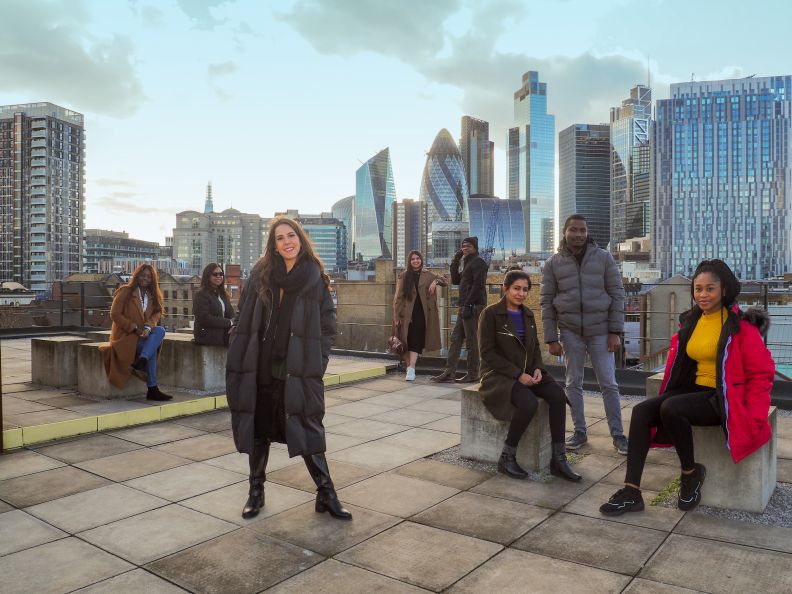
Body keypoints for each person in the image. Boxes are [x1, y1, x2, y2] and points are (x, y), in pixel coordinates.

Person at [600, 259, 774, 515]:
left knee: (672, 408)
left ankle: (690, 474)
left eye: (710, 289)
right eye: (698, 288)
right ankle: (631, 491)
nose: (702, 295)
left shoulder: (741, 328)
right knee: (641, 412)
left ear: (724, 289)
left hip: (722, 397)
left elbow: (762, 373)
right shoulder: (691, 321)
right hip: (693, 389)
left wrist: (755, 414)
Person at [226, 216, 351, 521]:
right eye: (280, 238)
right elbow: (244, 316)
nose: (287, 242)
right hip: (261, 365)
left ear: (300, 238)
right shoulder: (261, 275)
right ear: (274, 244)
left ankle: (326, 493)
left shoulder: (314, 276)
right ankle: (256, 492)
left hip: (299, 366)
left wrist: (318, 362)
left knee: (307, 428)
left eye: (291, 235)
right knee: (259, 429)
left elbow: (327, 324)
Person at [478, 270, 581, 481]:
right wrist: (517, 374)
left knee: (557, 394)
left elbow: (533, 349)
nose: (521, 294)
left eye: (525, 290)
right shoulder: (490, 314)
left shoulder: (528, 314)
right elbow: (487, 353)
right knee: (528, 403)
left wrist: (536, 368)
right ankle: (507, 457)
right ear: (505, 288)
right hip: (498, 375)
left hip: (526, 371)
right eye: (517, 288)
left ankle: (558, 459)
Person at [540, 214, 628, 455]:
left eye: (582, 230)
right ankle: (579, 431)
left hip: (600, 330)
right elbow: (546, 302)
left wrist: (614, 331)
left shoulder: (604, 258)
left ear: (587, 233)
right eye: (574, 230)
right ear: (565, 232)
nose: (578, 234)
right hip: (570, 332)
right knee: (572, 383)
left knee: (609, 384)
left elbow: (617, 294)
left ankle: (618, 435)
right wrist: (551, 338)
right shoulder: (553, 263)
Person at [101, 263, 171, 401]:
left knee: (160, 330)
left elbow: (157, 313)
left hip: (143, 336)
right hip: (125, 337)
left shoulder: (153, 295)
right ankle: (152, 388)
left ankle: (142, 359)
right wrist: (134, 327)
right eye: (143, 275)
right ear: (137, 275)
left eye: (149, 277)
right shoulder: (125, 292)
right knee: (151, 348)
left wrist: (148, 327)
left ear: (152, 279)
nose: (145, 278)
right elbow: (114, 314)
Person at [432, 236, 489, 383]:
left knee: (471, 342)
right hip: (464, 306)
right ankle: (450, 372)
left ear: (475, 248)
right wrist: (455, 260)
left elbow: (479, 286)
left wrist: (469, 305)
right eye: (463, 246)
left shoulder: (479, 263)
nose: (465, 248)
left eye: (468, 246)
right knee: (456, 339)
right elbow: (456, 280)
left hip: (473, 307)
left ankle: (473, 373)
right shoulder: (468, 263)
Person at [393, 250, 447, 381]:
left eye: (418, 258)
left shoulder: (428, 274)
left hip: (422, 314)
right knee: (406, 341)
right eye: (413, 259)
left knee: (415, 341)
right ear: (409, 261)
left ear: (421, 260)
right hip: (406, 314)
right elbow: (398, 298)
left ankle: (411, 369)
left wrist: (435, 282)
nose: (416, 261)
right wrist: (396, 317)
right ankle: (410, 367)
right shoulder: (404, 276)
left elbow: (445, 280)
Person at [193, 263, 235, 347]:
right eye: (215, 274)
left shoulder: (223, 294)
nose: (218, 276)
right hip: (206, 335)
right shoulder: (201, 294)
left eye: (221, 274)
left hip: (221, 332)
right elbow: (204, 318)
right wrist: (229, 322)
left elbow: (231, 314)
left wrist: (233, 324)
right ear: (207, 276)